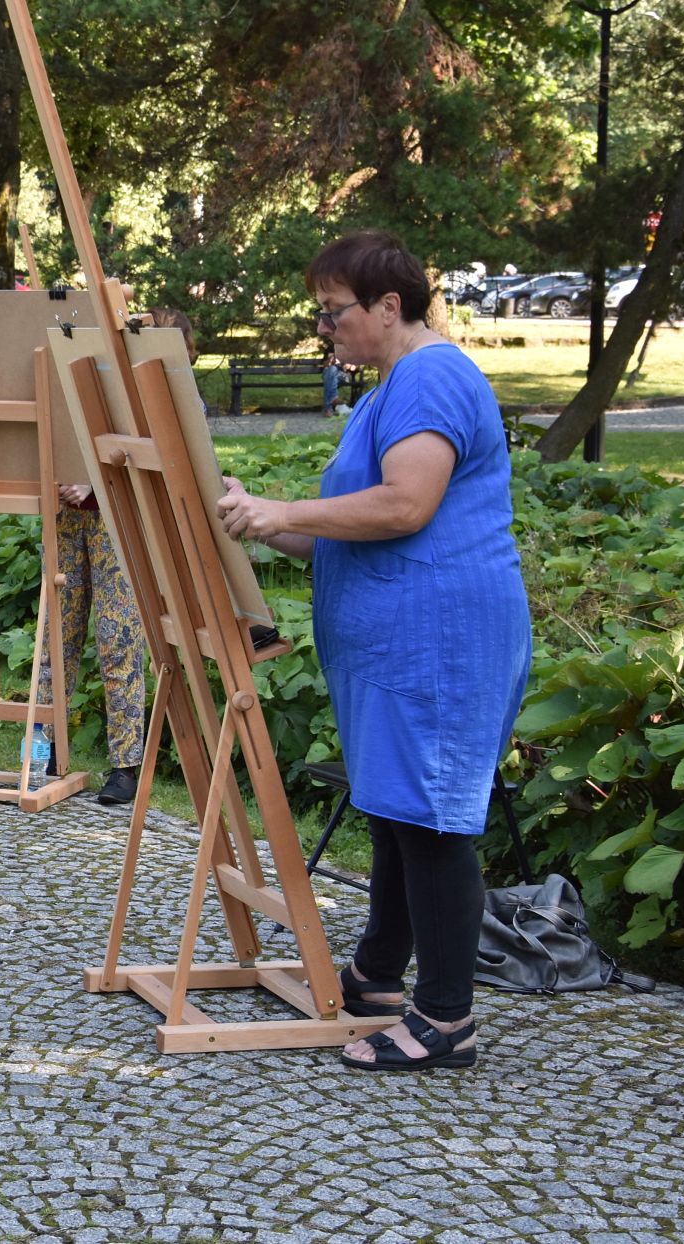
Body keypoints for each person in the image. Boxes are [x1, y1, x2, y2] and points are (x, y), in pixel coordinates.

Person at [216, 230, 530, 1074]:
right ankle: (379, 975)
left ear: (390, 306)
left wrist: (286, 511)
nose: (325, 328)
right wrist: (262, 520)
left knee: (431, 821)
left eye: (334, 312)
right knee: (395, 812)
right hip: (399, 642)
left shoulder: (432, 376)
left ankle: (447, 1020)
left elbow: (404, 506)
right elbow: (344, 531)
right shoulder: (387, 390)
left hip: (440, 639)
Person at [34, 481, 148, 806]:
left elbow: (137, 451)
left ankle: (124, 768)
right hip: (62, 515)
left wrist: (94, 483)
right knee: (55, 639)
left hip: (116, 514)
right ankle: (46, 750)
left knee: (119, 641)